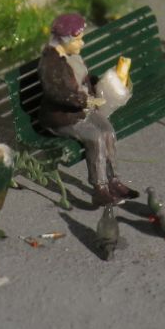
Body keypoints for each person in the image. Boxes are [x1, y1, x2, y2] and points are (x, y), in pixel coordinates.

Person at [37, 13, 139, 207]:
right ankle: (99, 188)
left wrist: (105, 84)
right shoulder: (50, 64)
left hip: (85, 109)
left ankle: (113, 180)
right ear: (64, 40)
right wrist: (85, 100)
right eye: (77, 39)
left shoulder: (72, 55)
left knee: (108, 132)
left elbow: (83, 79)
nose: (81, 43)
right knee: (95, 137)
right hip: (63, 117)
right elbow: (56, 94)